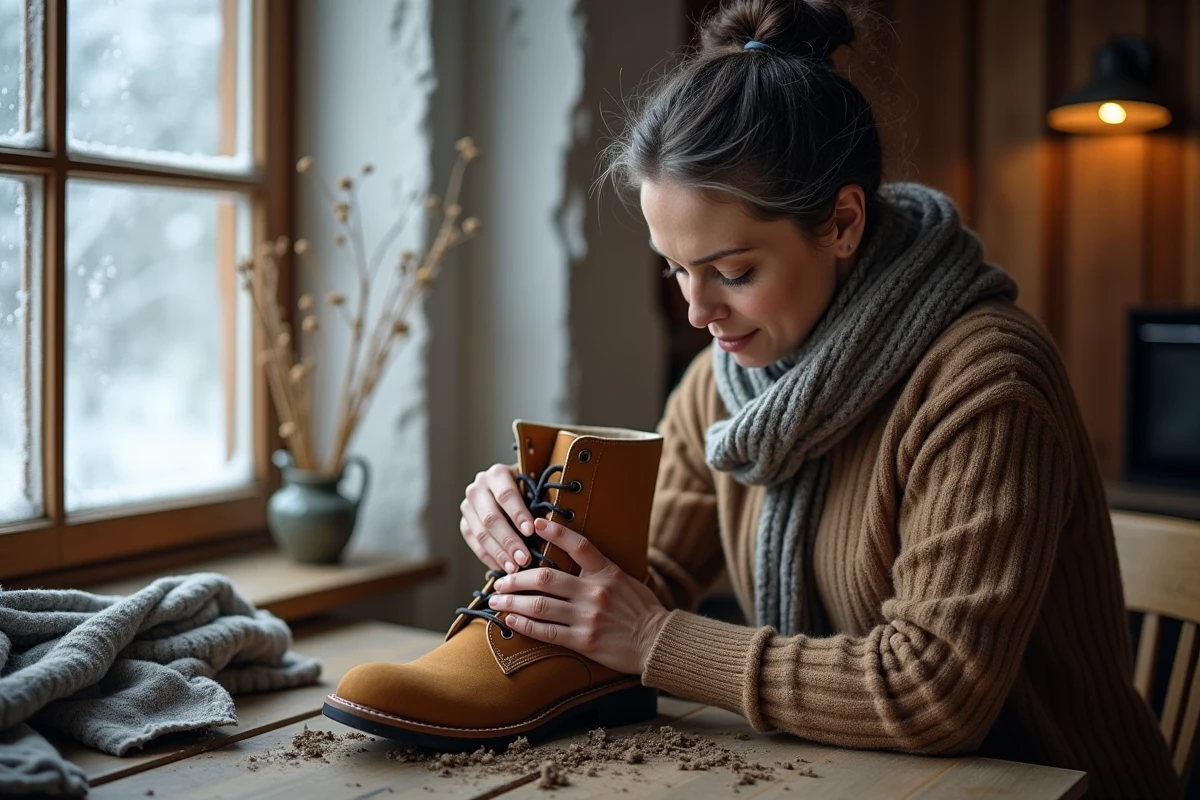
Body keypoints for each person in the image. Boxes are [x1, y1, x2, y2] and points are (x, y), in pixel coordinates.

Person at [457, 0, 1180, 796]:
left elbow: (933, 692)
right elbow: (637, 580)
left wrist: (657, 639)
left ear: (842, 222)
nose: (697, 312)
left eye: (733, 272)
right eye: (676, 268)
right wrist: (536, 542)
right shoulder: (724, 385)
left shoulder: (985, 385)